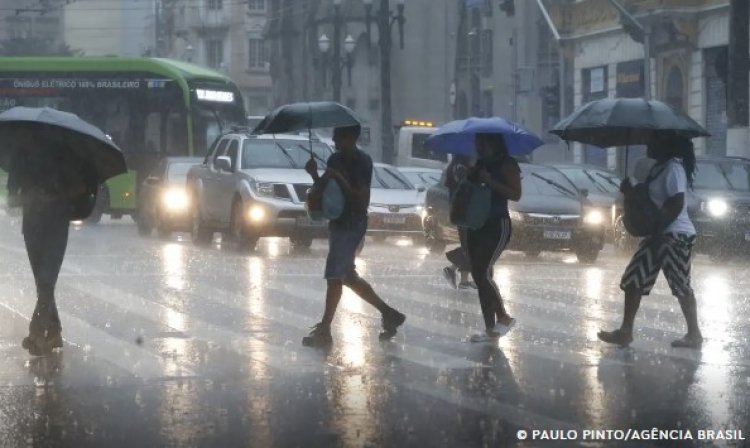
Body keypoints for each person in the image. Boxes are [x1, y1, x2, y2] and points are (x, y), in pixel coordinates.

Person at [302, 125, 406, 347]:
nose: (334, 140)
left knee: (334, 275)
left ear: (351, 138)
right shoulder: (334, 159)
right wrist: (314, 175)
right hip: (337, 221)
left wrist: (337, 177)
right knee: (346, 276)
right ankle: (389, 313)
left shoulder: (362, 162)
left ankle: (325, 329)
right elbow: (325, 189)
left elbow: (360, 199)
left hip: (353, 223)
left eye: (338, 137)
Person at [598, 133, 703, 349]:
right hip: (656, 235)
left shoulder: (674, 168)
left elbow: (676, 203)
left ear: (666, 144)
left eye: (654, 141)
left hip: (674, 235)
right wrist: (629, 192)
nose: (648, 144)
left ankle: (694, 334)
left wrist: (658, 231)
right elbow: (649, 201)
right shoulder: (658, 168)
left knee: (680, 284)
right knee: (634, 279)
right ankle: (625, 331)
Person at [6, 129, 91, 356]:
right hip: (40, 225)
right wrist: (34, 194)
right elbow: (11, 195)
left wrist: (53, 194)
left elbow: (80, 188)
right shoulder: (23, 156)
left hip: (50, 225)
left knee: (46, 281)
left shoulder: (63, 156)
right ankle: (54, 331)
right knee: (44, 283)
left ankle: (37, 333)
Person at [466, 133, 522, 342]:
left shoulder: (507, 164)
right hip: (476, 223)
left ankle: (504, 317)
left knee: (481, 273)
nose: (479, 147)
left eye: (483, 142)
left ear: (494, 143)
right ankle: (490, 328)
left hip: (497, 224)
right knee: (481, 275)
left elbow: (515, 194)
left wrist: (490, 181)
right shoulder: (480, 163)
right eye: (477, 143)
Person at [442, 155, 476, 290]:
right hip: (465, 213)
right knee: (471, 247)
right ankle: (452, 269)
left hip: (460, 212)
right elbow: (466, 189)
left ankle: (464, 280)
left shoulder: (454, 168)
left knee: (468, 246)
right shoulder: (462, 169)